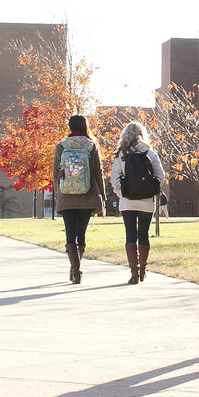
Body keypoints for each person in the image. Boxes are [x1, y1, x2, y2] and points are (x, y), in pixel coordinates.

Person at [109, 120, 166, 284]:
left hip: (127, 202)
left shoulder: (122, 155)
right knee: (144, 235)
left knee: (130, 235)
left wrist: (122, 194)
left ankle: (133, 272)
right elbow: (160, 176)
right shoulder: (150, 153)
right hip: (147, 202)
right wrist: (151, 189)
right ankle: (143, 269)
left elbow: (114, 179)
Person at [52, 115, 106, 284]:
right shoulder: (91, 146)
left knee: (70, 234)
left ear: (69, 127)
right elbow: (98, 173)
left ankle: (75, 270)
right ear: (85, 126)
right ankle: (76, 268)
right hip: (87, 197)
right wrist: (102, 196)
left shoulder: (61, 146)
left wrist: (58, 194)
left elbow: (55, 174)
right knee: (81, 234)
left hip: (67, 197)